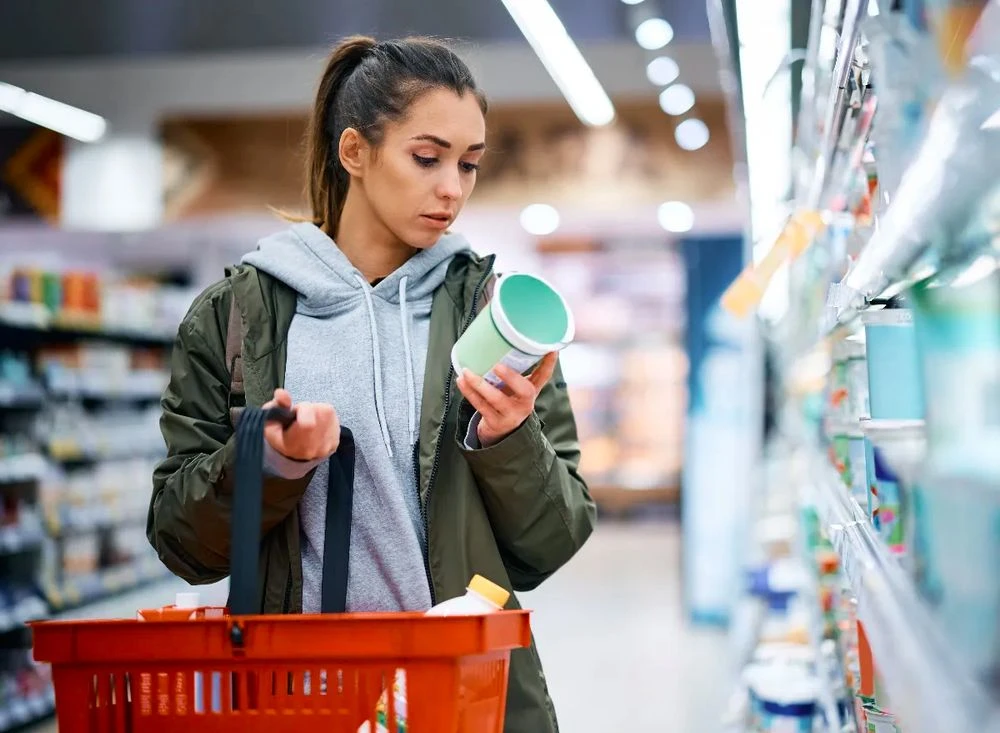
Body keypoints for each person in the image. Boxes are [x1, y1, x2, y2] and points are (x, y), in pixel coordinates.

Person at [147, 35, 596, 732]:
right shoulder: (235, 318)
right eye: (427, 158)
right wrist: (272, 462)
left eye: (469, 164)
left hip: (459, 697)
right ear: (354, 151)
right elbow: (182, 542)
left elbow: (553, 542)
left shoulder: (492, 316)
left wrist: (508, 438)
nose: (452, 189)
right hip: (298, 700)